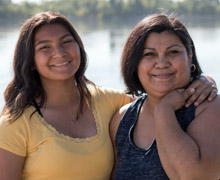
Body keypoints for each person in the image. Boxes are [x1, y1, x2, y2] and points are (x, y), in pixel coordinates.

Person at [0, 12, 217, 180]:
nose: (59, 52)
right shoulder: (16, 122)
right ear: (29, 62)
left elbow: (155, 95)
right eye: (44, 47)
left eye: (66, 41)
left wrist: (201, 81)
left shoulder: (110, 104)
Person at [110, 13, 220, 180]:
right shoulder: (122, 119)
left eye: (173, 52)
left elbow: (195, 176)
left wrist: (164, 109)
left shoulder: (210, 107)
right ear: (135, 63)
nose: (161, 63)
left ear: (189, 56)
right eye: (149, 54)